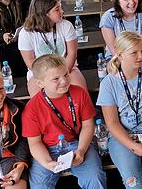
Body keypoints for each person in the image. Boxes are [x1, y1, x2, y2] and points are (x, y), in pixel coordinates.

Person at [97, 31, 142, 189]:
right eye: (134, 53)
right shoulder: (109, 83)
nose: (140, 56)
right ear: (120, 55)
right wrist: (132, 145)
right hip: (122, 134)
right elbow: (112, 123)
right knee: (132, 181)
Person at [22, 54, 106, 188]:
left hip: (77, 143)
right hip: (47, 149)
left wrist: (81, 150)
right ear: (39, 83)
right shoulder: (32, 108)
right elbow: (35, 143)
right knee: (39, 186)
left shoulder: (79, 93)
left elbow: (88, 126)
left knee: (95, 178)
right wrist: (47, 162)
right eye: (56, 78)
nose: (64, 81)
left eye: (66, 75)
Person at [17, 0, 86, 96]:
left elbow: (71, 53)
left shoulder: (66, 25)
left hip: (67, 69)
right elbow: (30, 62)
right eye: (57, 9)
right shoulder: (26, 33)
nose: (62, 12)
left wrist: (62, 74)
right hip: (40, 74)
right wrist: (51, 77)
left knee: (80, 92)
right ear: (45, 14)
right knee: (39, 98)